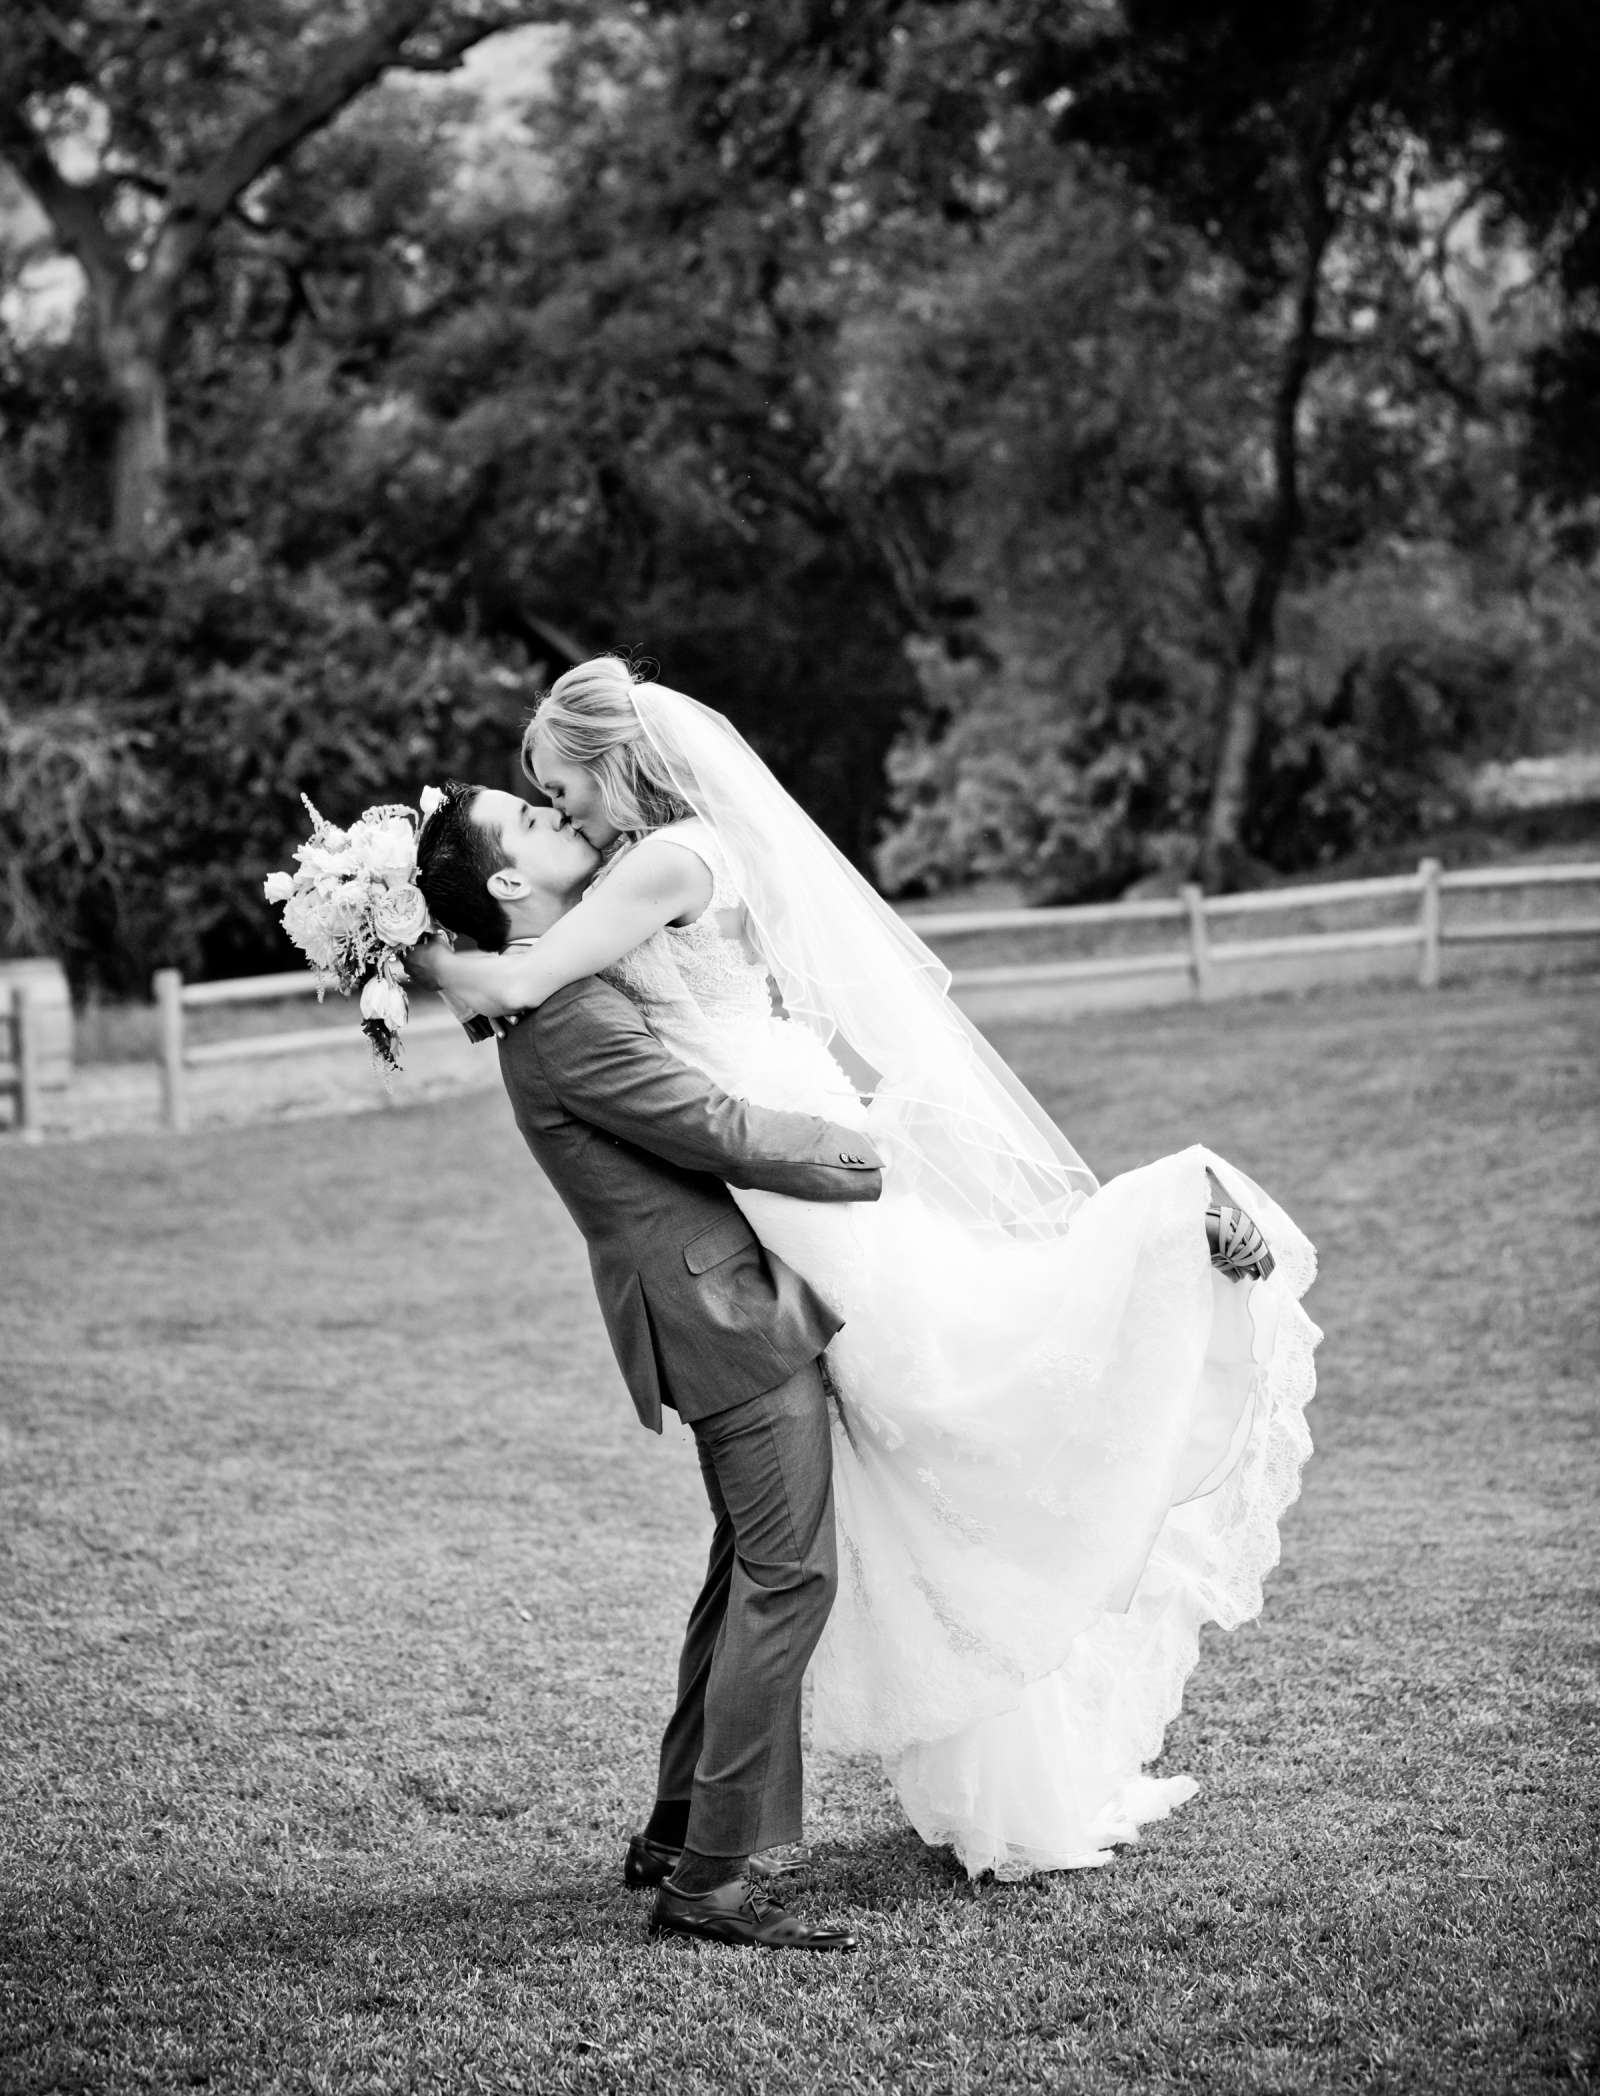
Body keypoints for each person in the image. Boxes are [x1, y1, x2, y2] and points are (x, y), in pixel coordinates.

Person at [412, 657, 1320, 1881]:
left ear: (615, 762)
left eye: (559, 788)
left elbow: (524, 979)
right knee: (869, 1462)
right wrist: (402, 937)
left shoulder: (655, 862)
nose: (562, 811)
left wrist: (398, 956)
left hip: (781, 1158)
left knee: (948, 1374)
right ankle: (701, 1847)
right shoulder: (639, 873)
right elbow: (530, 981)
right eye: (539, 807)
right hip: (755, 1182)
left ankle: (1165, 1217)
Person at [415, 785, 883, 1950]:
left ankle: (679, 1831)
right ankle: (708, 1881)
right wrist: (866, 1151)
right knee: (787, 1579)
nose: (550, 814)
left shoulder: (554, 989)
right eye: (526, 820)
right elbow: (714, 1129)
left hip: (708, 1304)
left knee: (745, 1574)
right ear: (511, 887)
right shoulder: (562, 1017)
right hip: (722, 1315)